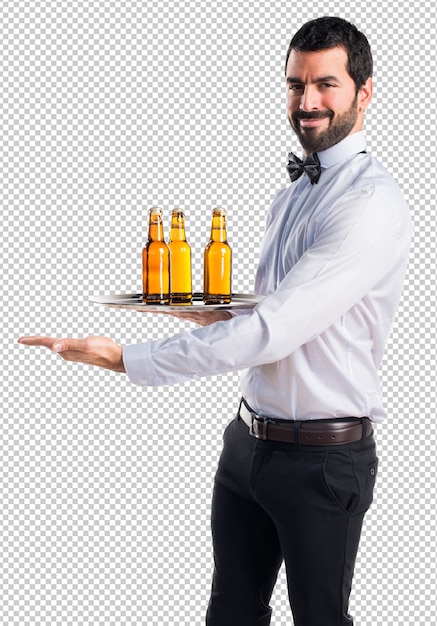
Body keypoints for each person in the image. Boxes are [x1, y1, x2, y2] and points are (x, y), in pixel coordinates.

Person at [19, 16, 412, 626]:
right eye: (295, 84)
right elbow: (268, 313)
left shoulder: (369, 203)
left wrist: (126, 358)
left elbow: (270, 331)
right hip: (247, 445)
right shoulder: (292, 194)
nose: (306, 102)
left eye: (326, 85)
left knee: (321, 620)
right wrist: (195, 309)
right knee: (230, 613)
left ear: (364, 93)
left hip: (323, 462)